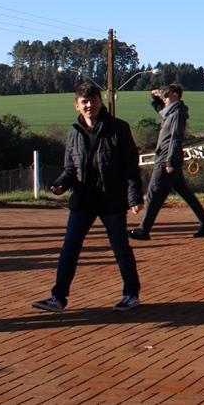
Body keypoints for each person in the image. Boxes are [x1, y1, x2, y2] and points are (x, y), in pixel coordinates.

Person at [32, 83, 144, 312]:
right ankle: (58, 298)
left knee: (120, 248)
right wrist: (60, 184)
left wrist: (134, 197)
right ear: (77, 105)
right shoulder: (74, 134)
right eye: (84, 102)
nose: (89, 105)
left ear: (101, 102)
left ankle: (131, 294)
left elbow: (131, 166)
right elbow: (70, 169)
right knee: (69, 248)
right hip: (83, 201)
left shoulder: (119, 128)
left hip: (111, 200)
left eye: (93, 100)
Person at [129, 83, 204, 240]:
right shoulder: (170, 111)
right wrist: (153, 96)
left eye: (166, 95)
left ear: (175, 95)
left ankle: (144, 230)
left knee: (153, 192)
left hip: (167, 158)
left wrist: (169, 161)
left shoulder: (177, 113)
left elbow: (176, 138)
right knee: (184, 192)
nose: (164, 98)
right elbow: (158, 107)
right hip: (168, 157)